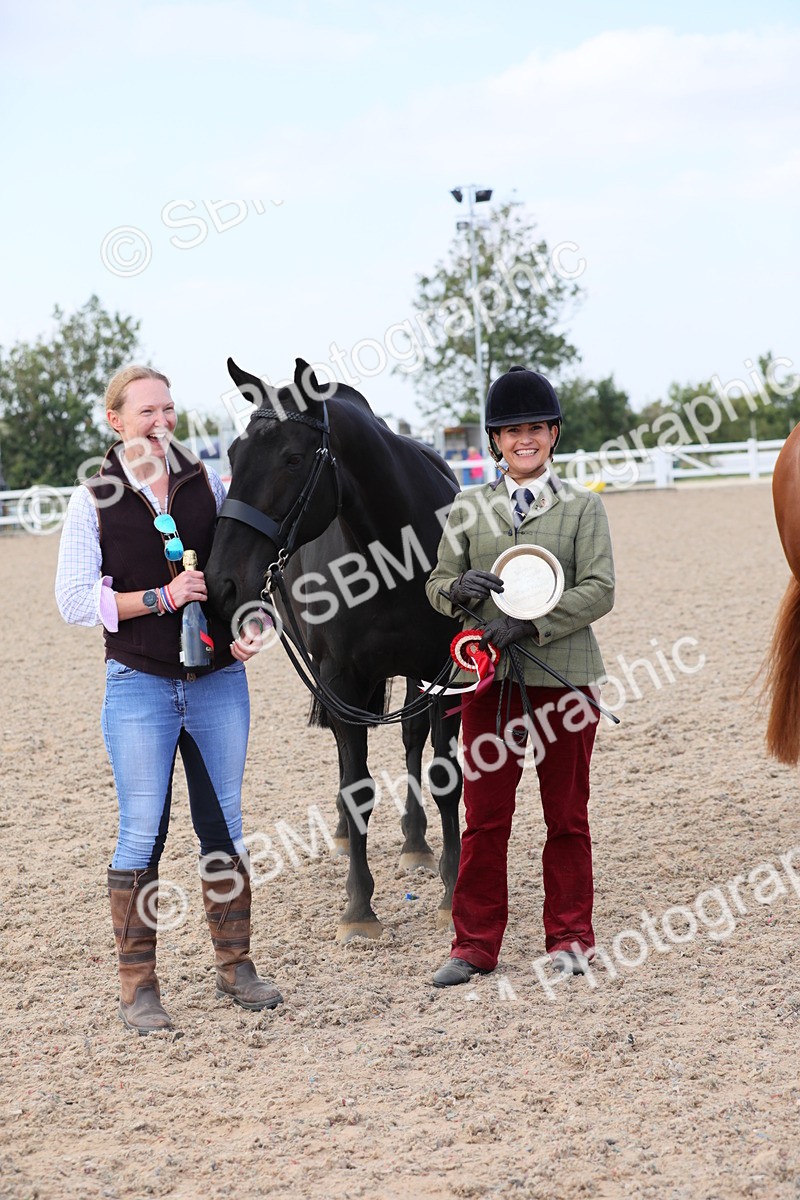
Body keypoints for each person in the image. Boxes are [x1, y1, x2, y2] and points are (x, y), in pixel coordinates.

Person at [55, 365, 283, 1034]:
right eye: (146, 411)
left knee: (224, 826)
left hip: (217, 683)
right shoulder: (92, 496)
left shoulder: (205, 480)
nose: (161, 421)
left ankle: (235, 966)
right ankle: (139, 989)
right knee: (140, 833)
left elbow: (244, 573)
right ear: (116, 421)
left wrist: (255, 624)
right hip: (139, 685)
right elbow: (74, 601)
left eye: (168, 409)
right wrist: (160, 598)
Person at [425, 366, 615, 986]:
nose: (523, 440)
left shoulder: (585, 508)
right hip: (489, 681)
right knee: (484, 816)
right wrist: (457, 588)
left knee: (567, 815)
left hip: (564, 679)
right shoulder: (465, 508)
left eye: (534, 428)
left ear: (553, 434)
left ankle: (569, 936)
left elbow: (599, 590)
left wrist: (533, 626)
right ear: (495, 441)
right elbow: (433, 586)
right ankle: (474, 944)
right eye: (510, 431)